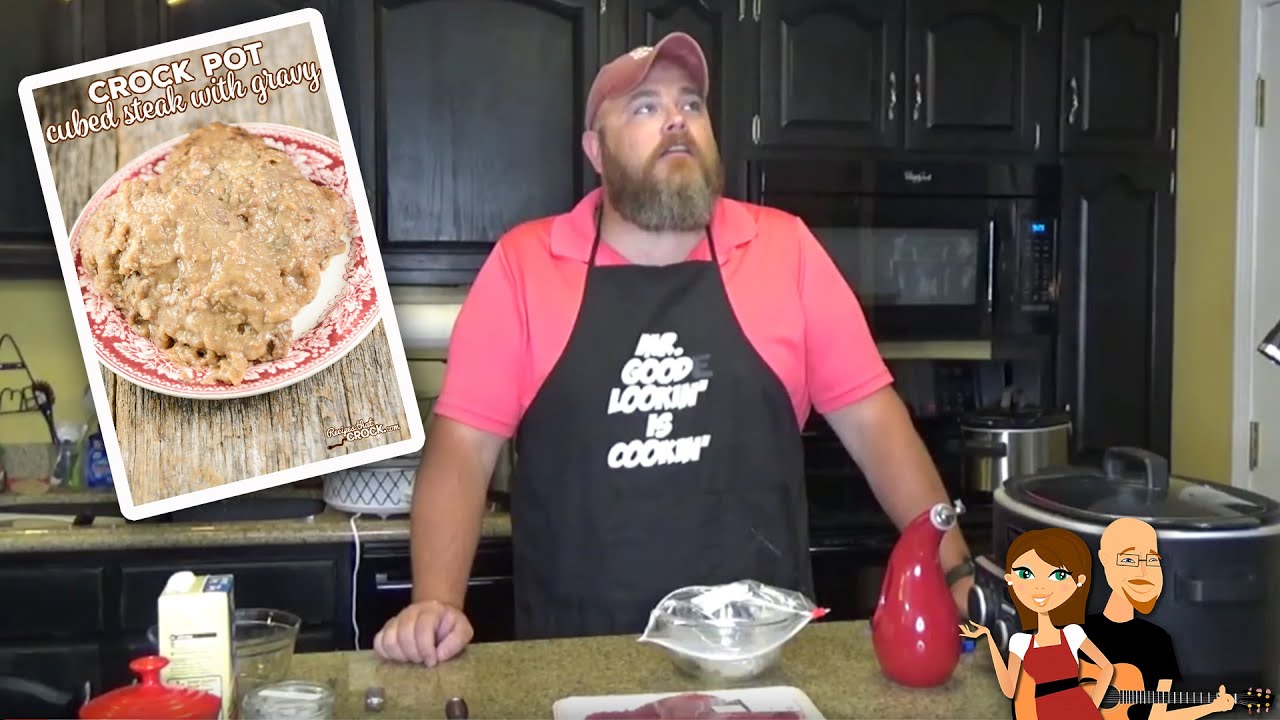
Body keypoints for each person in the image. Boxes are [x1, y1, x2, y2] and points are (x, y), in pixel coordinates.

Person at [373, 31, 976, 666]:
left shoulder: (784, 250)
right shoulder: (526, 264)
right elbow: (463, 447)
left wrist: (955, 569)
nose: (676, 121)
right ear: (596, 152)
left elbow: (875, 422)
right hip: (576, 657)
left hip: (757, 661)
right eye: (644, 107)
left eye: (691, 105)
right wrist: (435, 601)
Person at [1079, 518, 1235, 720]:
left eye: (1151, 560)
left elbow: (1158, 717)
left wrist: (1212, 706)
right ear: (1105, 560)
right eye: (1129, 560)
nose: (1143, 572)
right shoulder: (1076, 633)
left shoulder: (1158, 641)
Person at [961, 528, 1114, 720]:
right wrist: (990, 639)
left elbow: (1107, 668)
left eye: (1057, 576)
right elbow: (1009, 689)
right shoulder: (1020, 643)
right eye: (1026, 574)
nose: (1040, 586)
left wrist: (1092, 704)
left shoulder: (1073, 634)